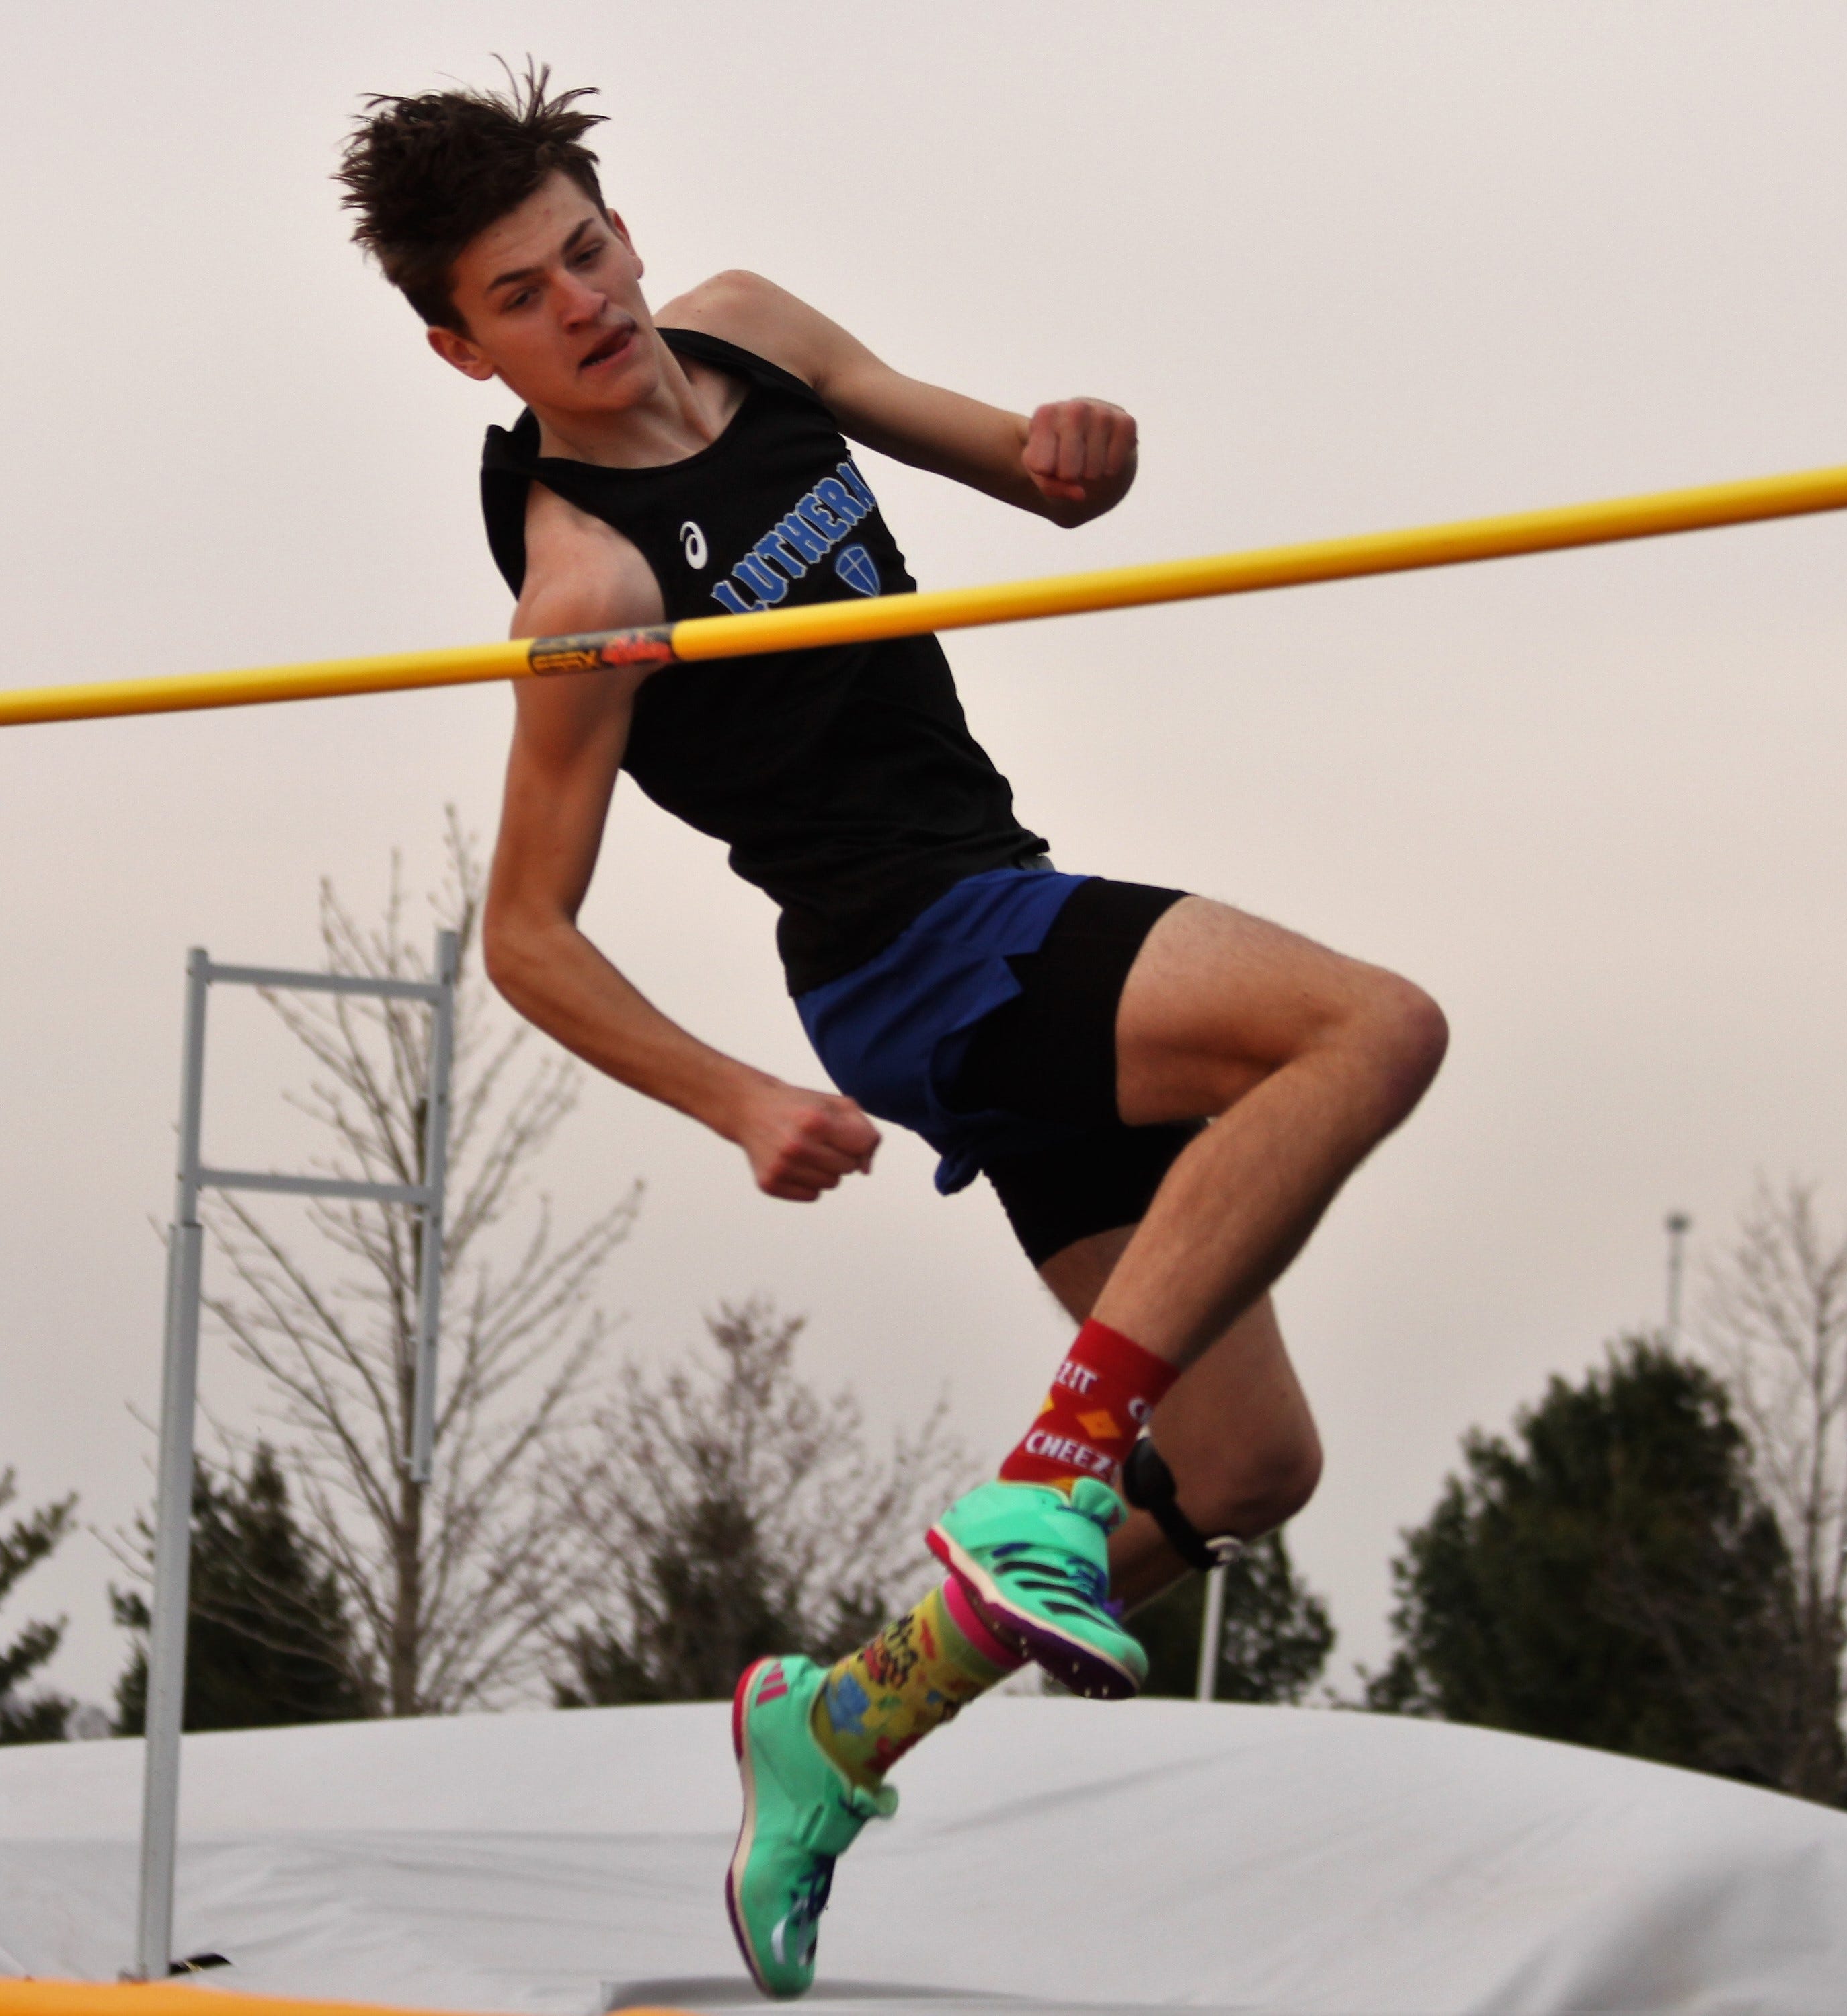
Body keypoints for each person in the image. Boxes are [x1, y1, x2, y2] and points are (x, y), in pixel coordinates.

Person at [336, 68, 1447, 1999]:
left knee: (1249, 1465)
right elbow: (526, 936)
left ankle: (845, 1723)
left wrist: (1076, 450)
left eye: (587, 247)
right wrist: (737, 1096)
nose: (586, 301)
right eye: (523, 295)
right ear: (461, 348)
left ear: (620, 223)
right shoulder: (585, 585)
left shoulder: (752, 332)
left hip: (993, 904)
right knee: (1371, 1030)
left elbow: (1027, 467)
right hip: (917, 958)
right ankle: (1046, 1466)